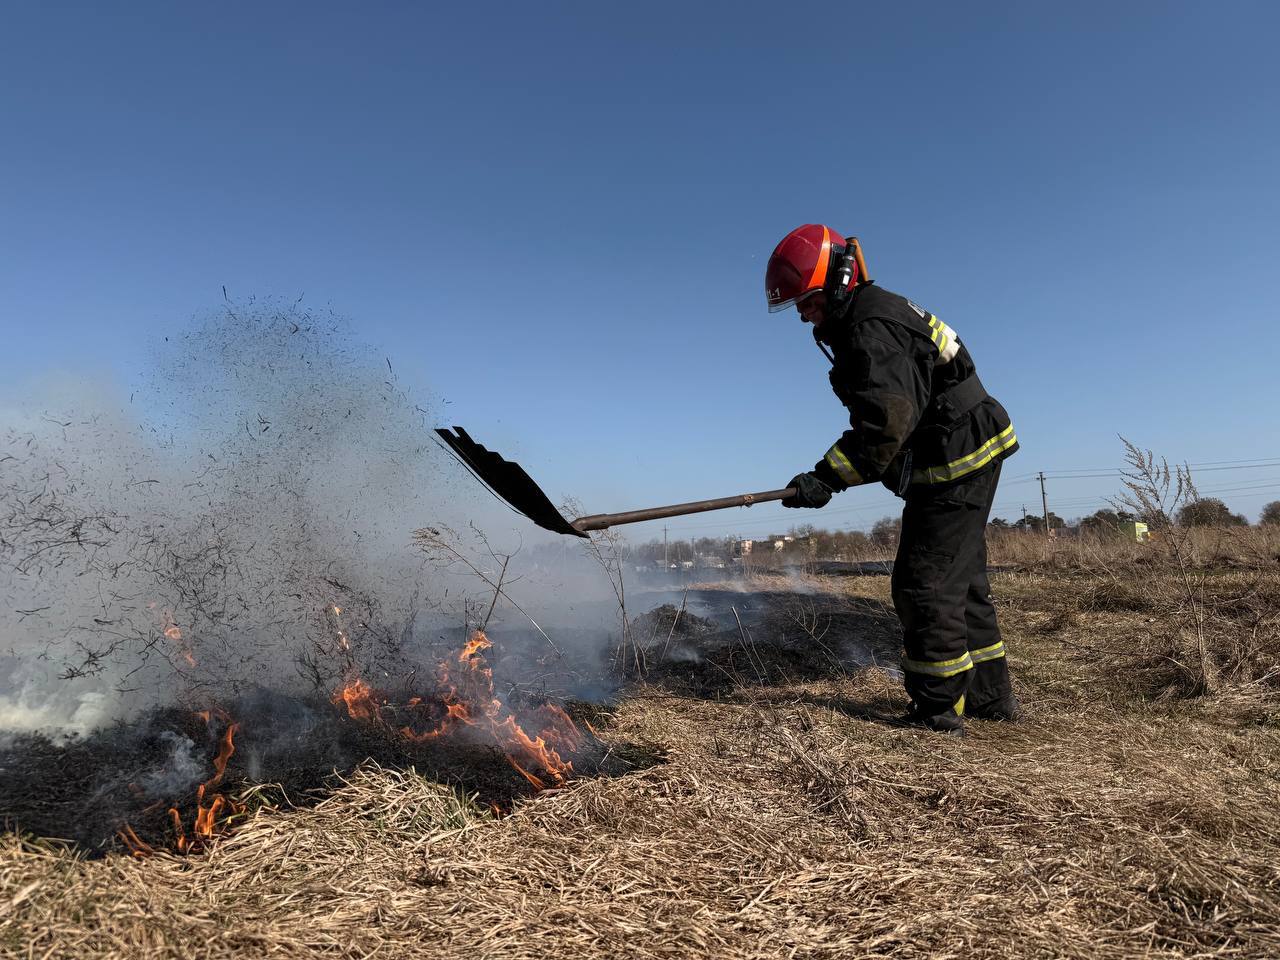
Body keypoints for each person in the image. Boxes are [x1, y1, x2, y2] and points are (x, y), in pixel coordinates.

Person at [766, 224, 1020, 736]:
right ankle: (990, 699)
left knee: (923, 584)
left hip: (955, 458)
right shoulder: (868, 316)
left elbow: (884, 427)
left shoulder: (871, 328)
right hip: (959, 450)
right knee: (961, 582)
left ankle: (937, 711)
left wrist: (824, 478)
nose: (803, 313)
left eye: (809, 301)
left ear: (839, 281)